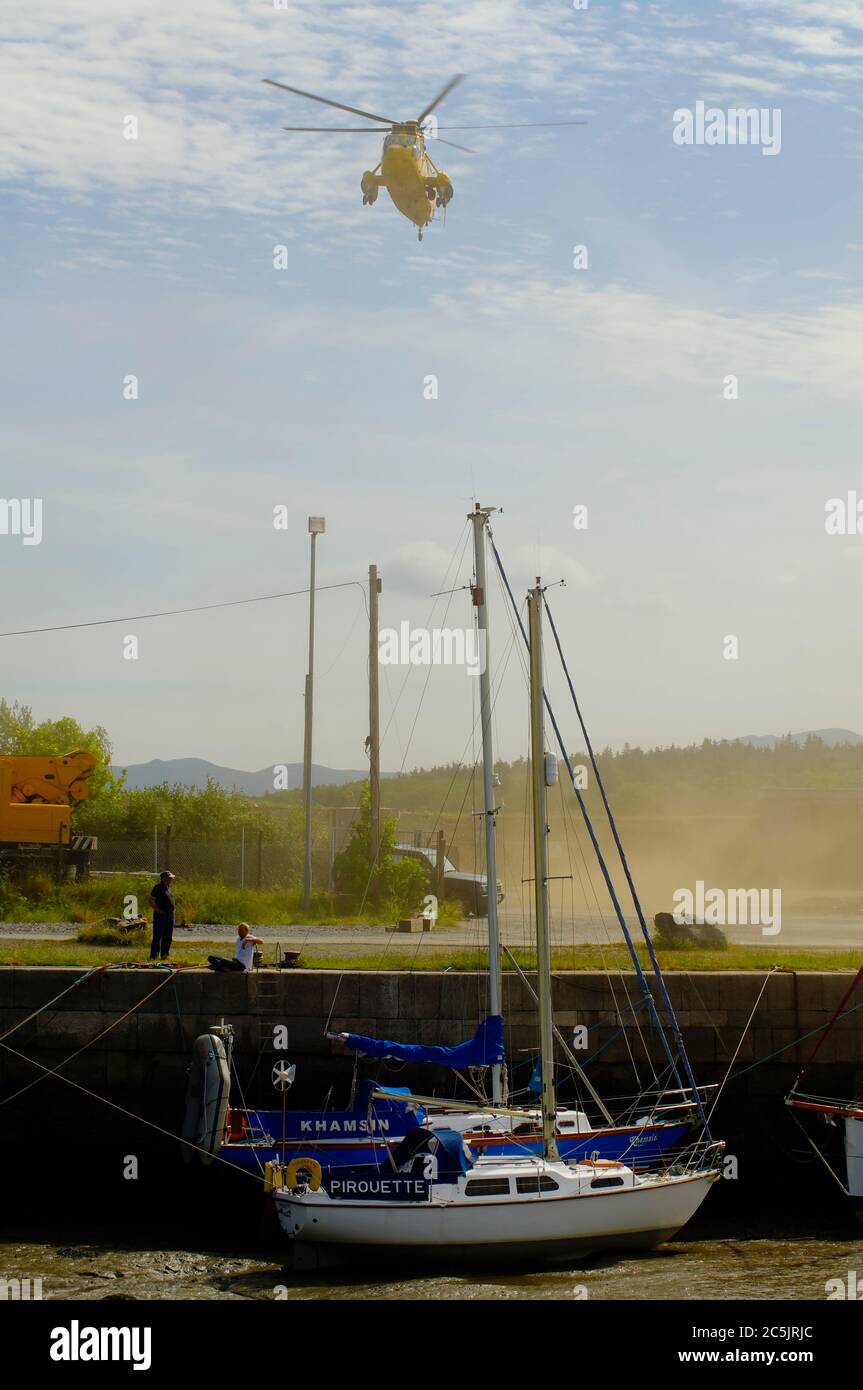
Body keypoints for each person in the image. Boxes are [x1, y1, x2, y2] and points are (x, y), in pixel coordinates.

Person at [148, 870, 176, 962]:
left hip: (170, 916)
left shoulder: (168, 887)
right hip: (161, 916)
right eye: (170, 878)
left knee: (168, 936)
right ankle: (154, 955)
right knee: (158, 935)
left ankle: (165, 954)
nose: (171, 879)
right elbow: (151, 901)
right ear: (164, 879)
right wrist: (159, 911)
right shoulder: (158, 888)